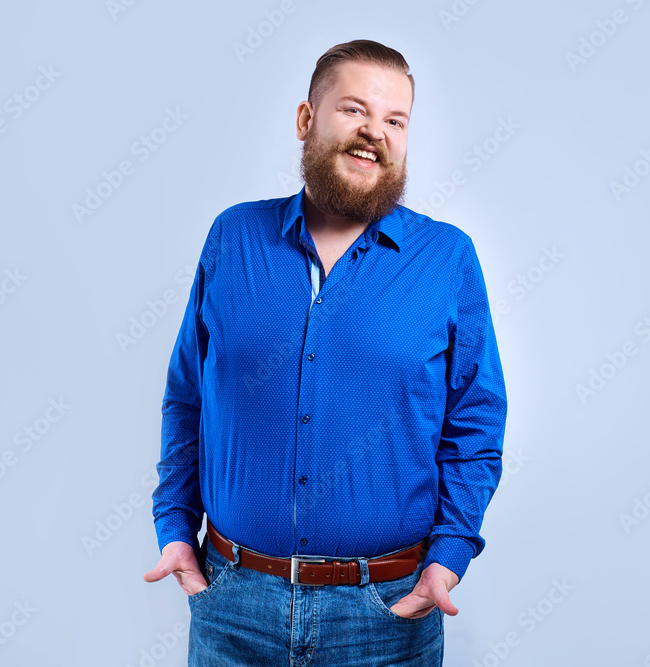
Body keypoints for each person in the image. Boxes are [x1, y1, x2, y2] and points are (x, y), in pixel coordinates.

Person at [143, 39, 507, 666]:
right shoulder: (233, 237)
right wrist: (175, 525)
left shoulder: (447, 259)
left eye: (395, 120)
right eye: (354, 109)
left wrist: (448, 557)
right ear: (306, 119)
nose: (375, 132)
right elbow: (187, 397)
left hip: (386, 614)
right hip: (233, 606)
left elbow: (475, 425)